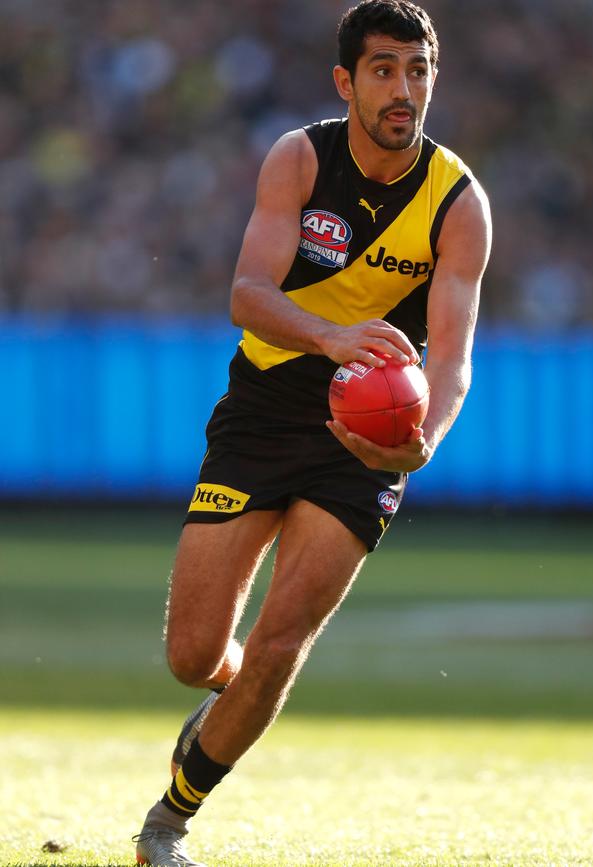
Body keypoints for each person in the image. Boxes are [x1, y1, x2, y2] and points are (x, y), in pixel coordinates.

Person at [134, 1, 491, 864]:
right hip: (266, 407)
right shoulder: (299, 158)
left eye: (417, 71)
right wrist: (332, 338)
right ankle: (238, 693)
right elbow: (247, 295)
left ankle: (168, 823)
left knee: (282, 639)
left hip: (368, 439)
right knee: (193, 654)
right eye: (383, 70)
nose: (403, 90)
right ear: (346, 81)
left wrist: (423, 441)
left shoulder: (460, 203)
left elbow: (453, 359)